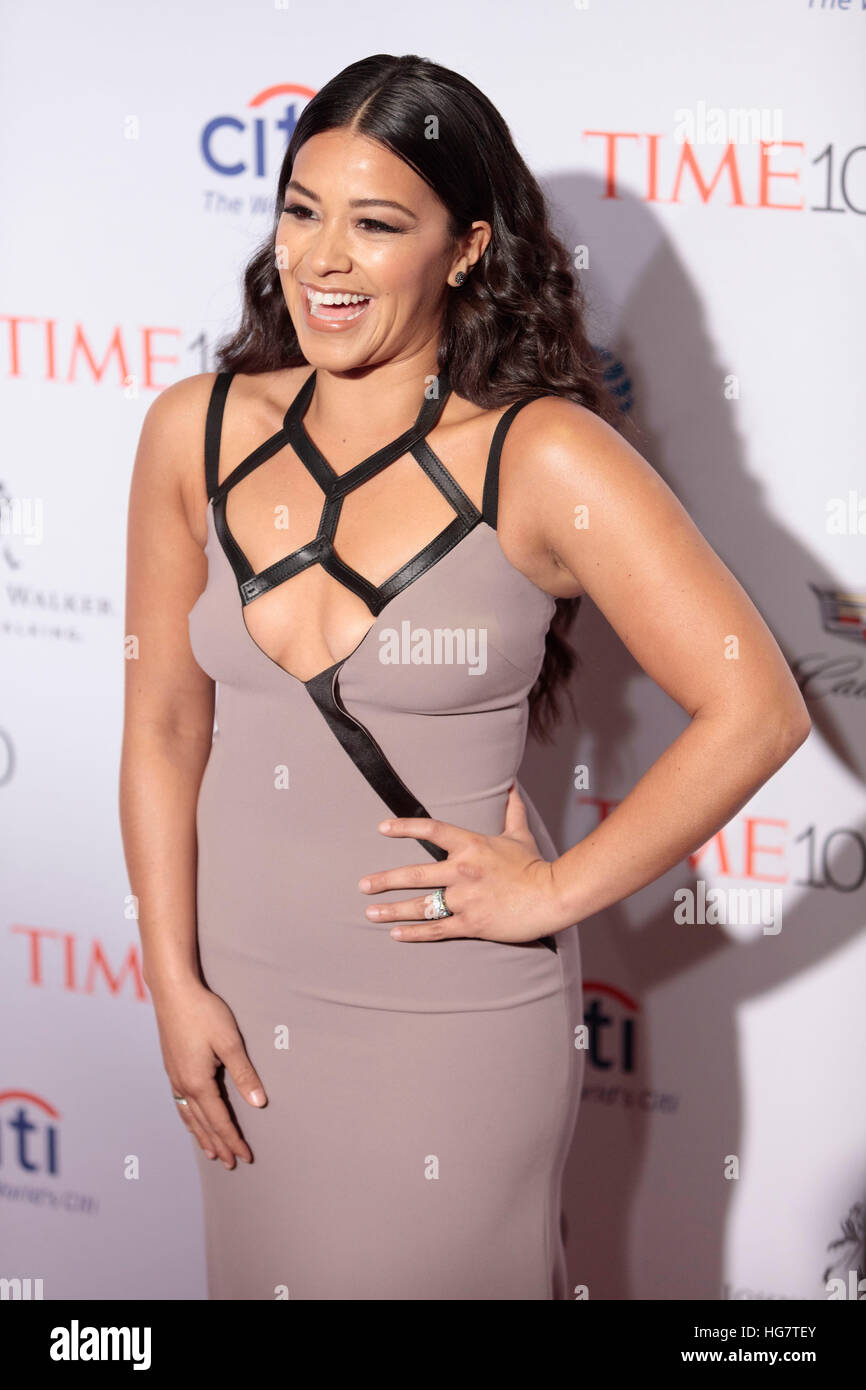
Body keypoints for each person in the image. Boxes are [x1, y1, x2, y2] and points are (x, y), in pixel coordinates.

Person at [119, 53, 810, 1300]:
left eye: (377, 224)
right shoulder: (194, 430)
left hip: (442, 1023)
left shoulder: (540, 456)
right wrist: (172, 980)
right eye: (301, 209)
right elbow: (165, 723)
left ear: (464, 248)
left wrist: (556, 887)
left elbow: (754, 704)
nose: (323, 258)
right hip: (241, 1004)